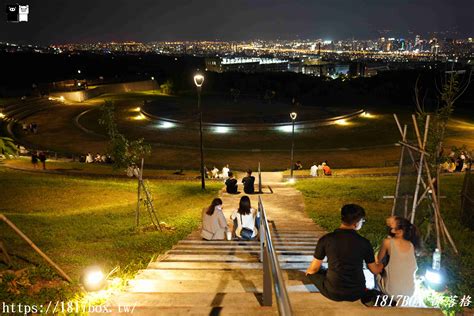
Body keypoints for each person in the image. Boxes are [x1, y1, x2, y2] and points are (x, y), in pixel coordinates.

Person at [306, 204, 383, 302]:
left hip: (333, 292)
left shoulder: (326, 239)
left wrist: (310, 273)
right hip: (356, 292)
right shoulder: (364, 243)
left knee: (314, 272)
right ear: (356, 223)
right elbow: (375, 270)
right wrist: (381, 264)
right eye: (362, 221)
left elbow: (313, 269)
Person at [376, 216, 419, 297]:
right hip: (410, 292)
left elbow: (379, 259)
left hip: (392, 292)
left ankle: (380, 296)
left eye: (392, 227)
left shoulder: (387, 242)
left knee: (376, 266)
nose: (390, 229)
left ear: (399, 231)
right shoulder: (411, 245)